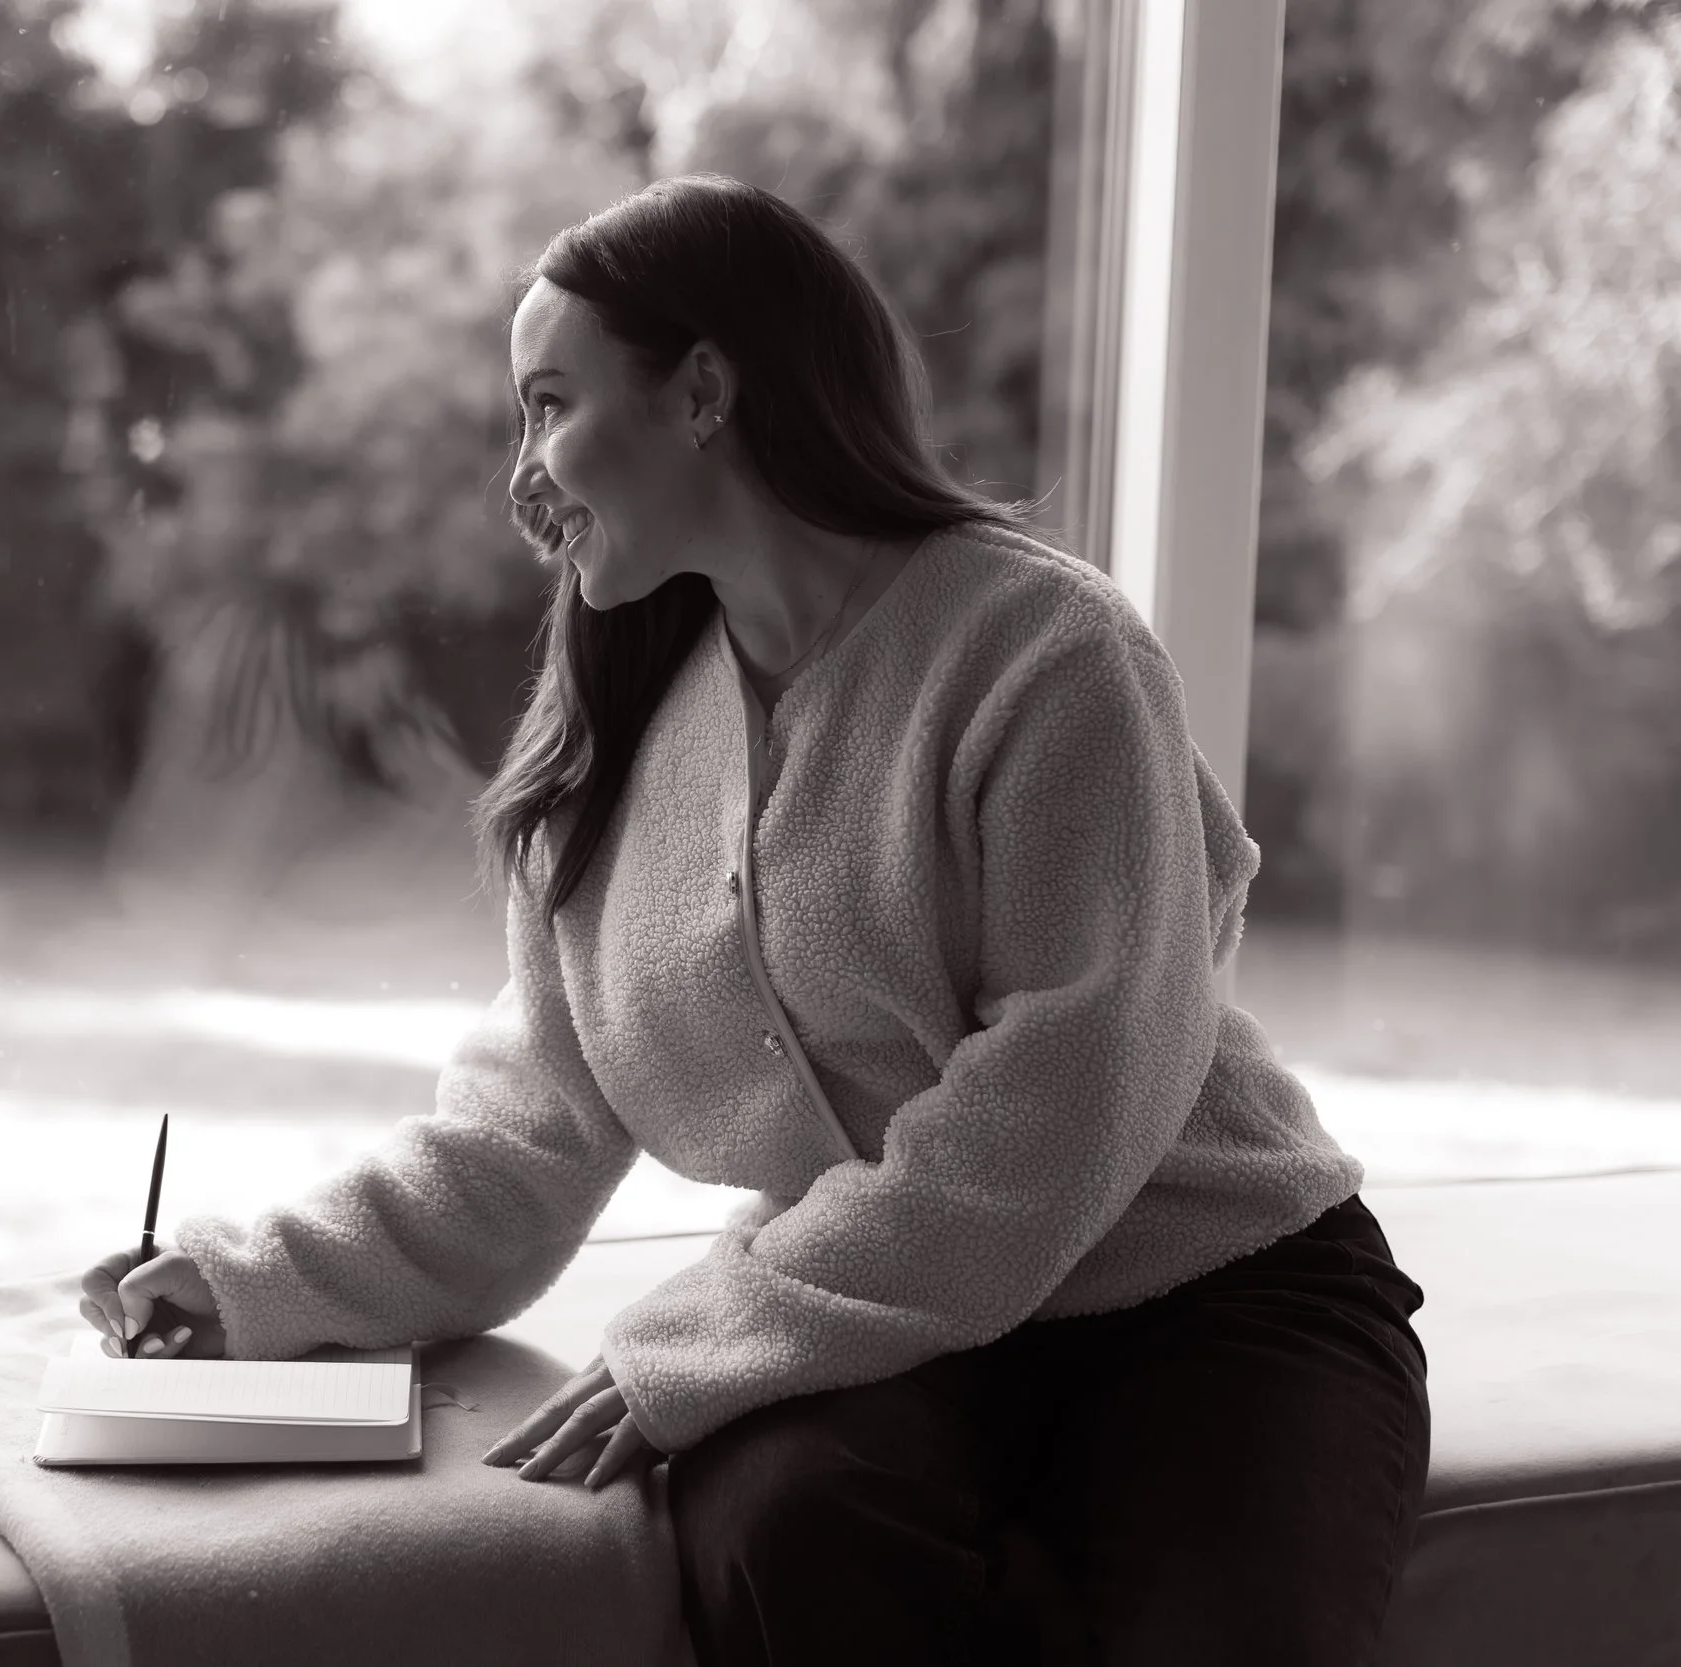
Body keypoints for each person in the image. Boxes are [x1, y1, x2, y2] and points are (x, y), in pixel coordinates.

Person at [77, 174, 1429, 1666]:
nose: (525, 475)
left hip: (1213, 1296)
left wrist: (704, 1338)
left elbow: (1066, 1101)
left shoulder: (1048, 651)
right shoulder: (616, 725)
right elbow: (522, 1136)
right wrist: (247, 1280)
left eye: (549, 404)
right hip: (891, 1328)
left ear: (705, 387)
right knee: (787, 1534)